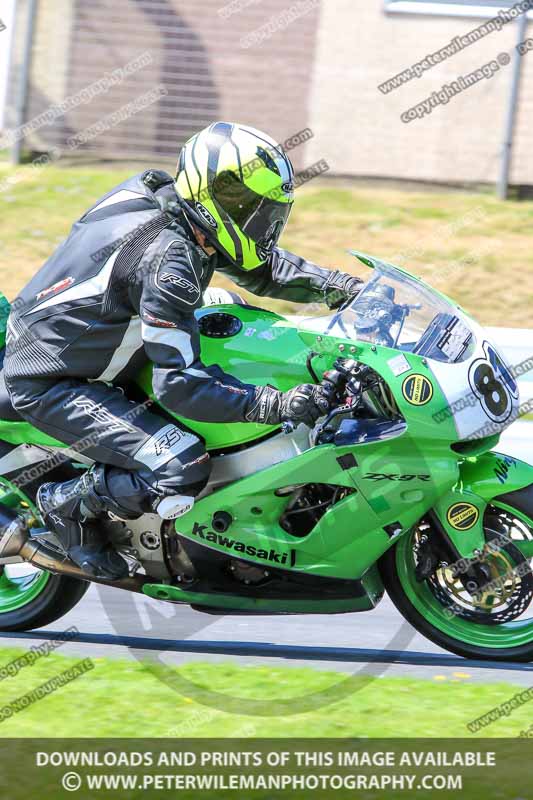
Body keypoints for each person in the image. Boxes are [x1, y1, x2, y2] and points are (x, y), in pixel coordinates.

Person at [3, 121, 362, 580]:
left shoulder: (173, 205)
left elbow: (255, 264)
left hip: (71, 346)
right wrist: (272, 403)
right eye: (246, 205)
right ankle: (69, 507)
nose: (257, 218)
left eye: (263, 209)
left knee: (230, 316)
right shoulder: (168, 260)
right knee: (182, 462)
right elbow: (178, 383)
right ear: (211, 194)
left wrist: (341, 288)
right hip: (53, 380)